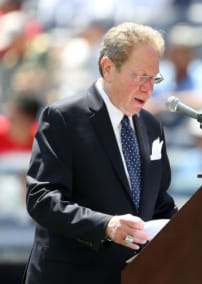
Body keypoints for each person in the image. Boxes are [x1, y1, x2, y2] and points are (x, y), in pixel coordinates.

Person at [23, 22, 177, 284]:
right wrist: (105, 226)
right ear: (108, 68)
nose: (149, 88)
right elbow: (42, 199)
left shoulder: (151, 126)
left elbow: (159, 203)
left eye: (154, 78)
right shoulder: (63, 117)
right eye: (140, 76)